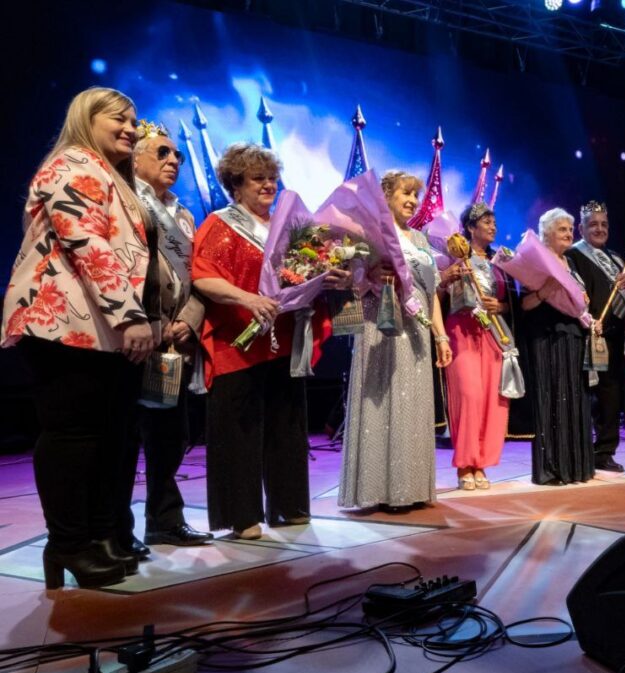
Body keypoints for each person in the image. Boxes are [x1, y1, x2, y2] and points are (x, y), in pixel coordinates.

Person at [3, 87, 153, 588]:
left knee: (107, 434)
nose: (133, 128)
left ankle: (96, 536)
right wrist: (130, 314)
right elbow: (84, 241)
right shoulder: (72, 164)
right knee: (72, 434)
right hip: (58, 320)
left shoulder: (110, 174)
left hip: (93, 322)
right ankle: (67, 545)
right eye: (121, 118)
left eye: (136, 120)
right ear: (87, 118)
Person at [193, 143, 348, 539]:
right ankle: (241, 516)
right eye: (257, 178)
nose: (268, 185)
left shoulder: (290, 226)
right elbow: (203, 276)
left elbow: (303, 276)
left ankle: (289, 505)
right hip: (237, 341)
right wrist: (248, 299)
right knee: (238, 428)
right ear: (235, 184)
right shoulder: (219, 224)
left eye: (271, 178)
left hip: (284, 340)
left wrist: (325, 279)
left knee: (287, 422)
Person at [338, 171, 452, 512]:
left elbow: (429, 294)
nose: (413, 200)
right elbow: (349, 286)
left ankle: (409, 487)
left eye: (415, 195)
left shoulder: (419, 241)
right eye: (406, 193)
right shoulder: (368, 236)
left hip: (415, 331)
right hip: (380, 328)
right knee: (382, 404)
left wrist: (441, 336)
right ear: (385, 195)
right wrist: (368, 275)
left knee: (412, 405)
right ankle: (376, 489)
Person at [123, 120, 213, 549]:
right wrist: (151, 323)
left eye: (176, 154)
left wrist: (190, 322)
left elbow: (199, 278)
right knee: (125, 437)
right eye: (161, 152)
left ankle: (163, 520)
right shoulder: (124, 203)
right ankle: (117, 531)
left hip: (176, 342)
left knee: (172, 435)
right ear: (135, 157)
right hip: (136, 336)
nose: (173, 160)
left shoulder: (183, 214)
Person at [521, 208, 595, 485]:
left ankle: (576, 467)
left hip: (573, 337)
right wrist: (544, 292)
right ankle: (552, 469)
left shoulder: (571, 264)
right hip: (546, 337)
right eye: (562, 229)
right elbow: (523, 305)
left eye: (570, 229)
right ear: (546, 233)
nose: (569, 234)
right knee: (549, 402)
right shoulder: (535, 262)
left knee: (575, 402)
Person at [443, 203, 511, 490]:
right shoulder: (454, 258)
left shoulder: (503, 261)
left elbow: (515, 304)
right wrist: (448, 276)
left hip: (493, 335)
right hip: (462, 330)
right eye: (485, 221)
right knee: (468, 395)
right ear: (470, 227)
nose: (492, 226)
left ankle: (481, 463)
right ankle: (464, 464)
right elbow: (436, 292)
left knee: (490, 400)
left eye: (494, 221)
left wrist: (503, 305)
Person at [565, 201, 625, 472]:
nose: (600, 229)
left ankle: (605, 451)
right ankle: (582, 450)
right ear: (581, 228)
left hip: (616, 337)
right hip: (588, 333)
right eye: (593, 224)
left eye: (604, 224)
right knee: (590, 394)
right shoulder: (573, 255)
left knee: (611, 396)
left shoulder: (618, 258)